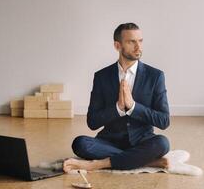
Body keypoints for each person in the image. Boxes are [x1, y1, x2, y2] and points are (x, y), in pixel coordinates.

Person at [63, 23, 170, 172]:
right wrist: (118, 108)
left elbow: (164, 121)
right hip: (110, 142)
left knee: (163, 143)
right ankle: (144, 161)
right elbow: (92, 122)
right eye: (131, 42)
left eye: (140, 41)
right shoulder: (101, 76)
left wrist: (133, 106)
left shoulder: (155, 76)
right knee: (80, 143)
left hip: (142, 141)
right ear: (117, 45)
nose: (138, 47)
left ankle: (98, 164)